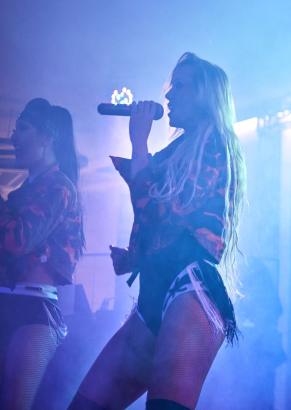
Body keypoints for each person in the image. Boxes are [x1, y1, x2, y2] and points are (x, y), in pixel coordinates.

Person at [68, 53, 246, 410]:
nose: (168, 95)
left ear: (204, 95)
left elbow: (158, 208)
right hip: (154, 291)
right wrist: (135, 257)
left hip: (189, 288)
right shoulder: (177, 149)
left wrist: (138, 143)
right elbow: (161, 221)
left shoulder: (213, 145)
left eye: (179, 86)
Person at [1, 98, 84, 410]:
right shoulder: (21, 193)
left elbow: (16, 240)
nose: (13, 137)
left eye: (22, 128)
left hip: (34, 309)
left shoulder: (60, 188)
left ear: (47, 138)